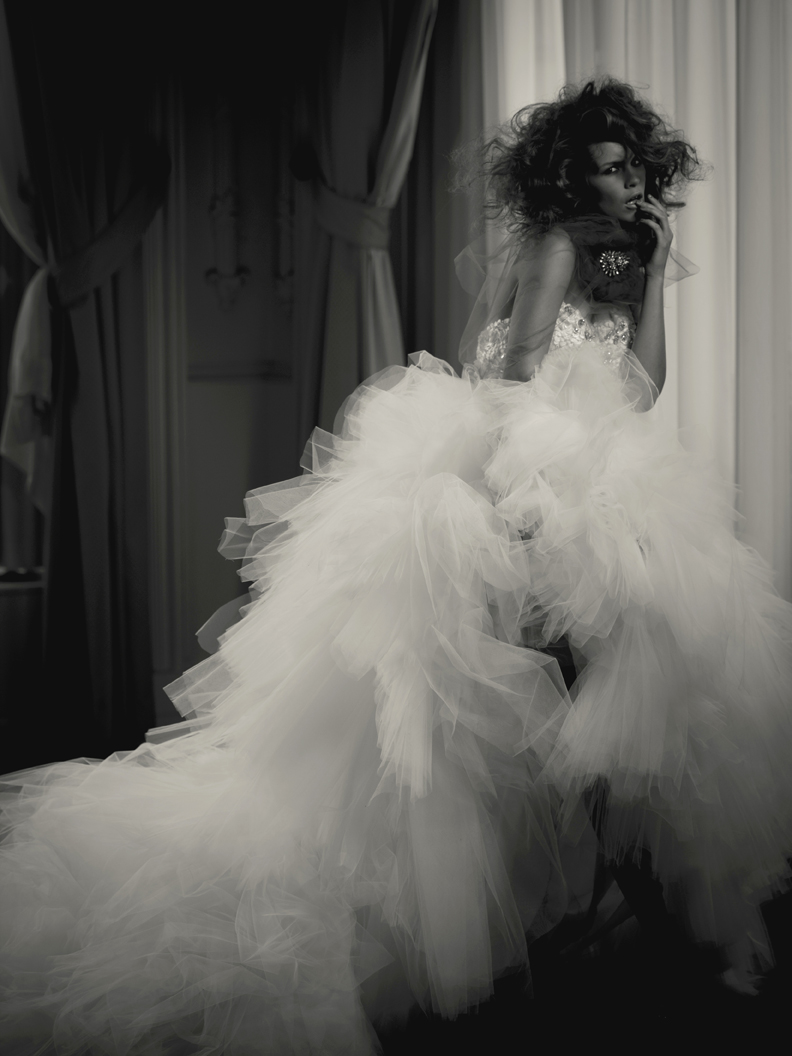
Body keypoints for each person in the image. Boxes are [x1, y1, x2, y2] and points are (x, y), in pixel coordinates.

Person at [1, 77, 791, 1055]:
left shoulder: (616, 255)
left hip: (585, 486)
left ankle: (619, 928)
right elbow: (508, 382)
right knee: (561, 717)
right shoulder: (554, 247)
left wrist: (657, 273)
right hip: (521, 495)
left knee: (599, 715)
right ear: (567, 180)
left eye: (631, 165)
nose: (625, 182)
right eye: (604, 168)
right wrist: (536, 506)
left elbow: (644, 389)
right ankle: (623, 944)